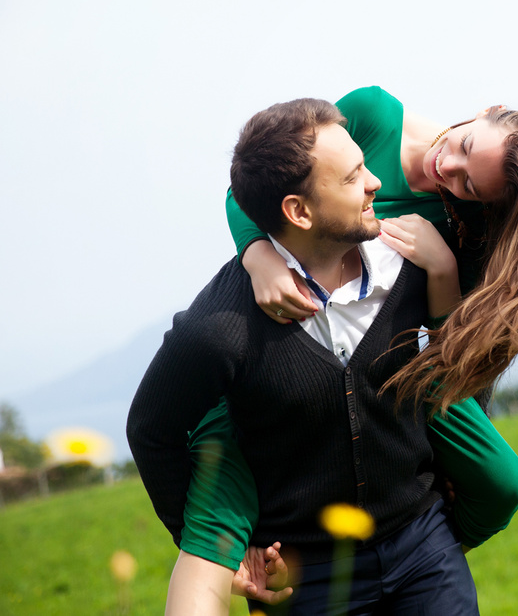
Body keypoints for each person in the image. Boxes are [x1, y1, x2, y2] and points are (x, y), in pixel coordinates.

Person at [128, 98, 487, 615]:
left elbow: (458, 370)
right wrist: (223, 551)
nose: (376, 184)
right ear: (298, 211)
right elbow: (150, 429)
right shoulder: (219, 329)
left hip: (426, 552)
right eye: (353, 178)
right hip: (303, 585)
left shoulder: (415, 263)